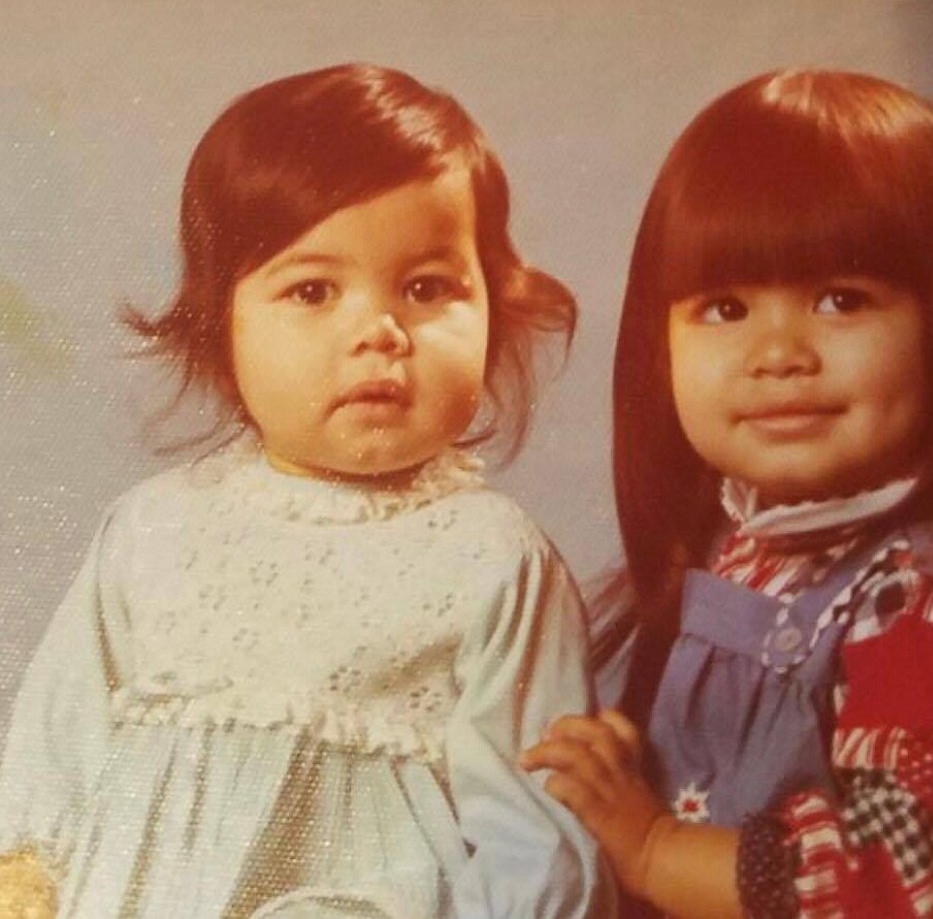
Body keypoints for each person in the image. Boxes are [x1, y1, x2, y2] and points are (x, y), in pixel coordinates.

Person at [0, 64, 613, 918]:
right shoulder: (152, 527)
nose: (379, 333)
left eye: (428, 288)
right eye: (313, 290)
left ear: (494, 310)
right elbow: (55, 742)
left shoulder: (491, 555)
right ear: (223, 327)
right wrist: (26, 875)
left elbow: (534, 832)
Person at [522, 70, 933, 917]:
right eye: (724, 307)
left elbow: (903, 879)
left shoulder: (926, 604)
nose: (778, 353)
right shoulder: (737, 553)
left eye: (841, 300)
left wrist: (653, 845)